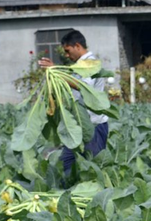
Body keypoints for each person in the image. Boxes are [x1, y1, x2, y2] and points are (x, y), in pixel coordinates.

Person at [38, 29, 109, 176]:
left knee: (92, 168)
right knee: (67, 163)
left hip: (93, 126)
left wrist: (55, 70)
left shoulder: (91, 63)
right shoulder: (78, 66)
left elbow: (83, 86)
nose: (67, 55)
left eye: (68, 50)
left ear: (77, 46)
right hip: (78, 126)